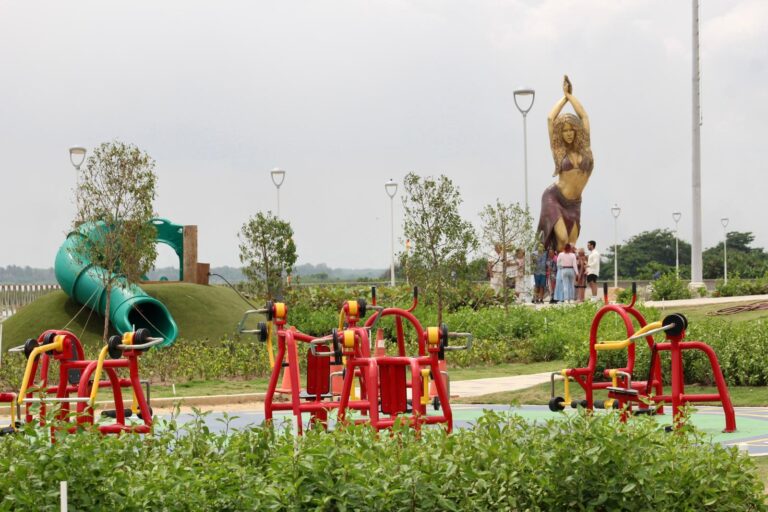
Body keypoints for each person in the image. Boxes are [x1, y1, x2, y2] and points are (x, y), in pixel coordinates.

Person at [537, 75, 594, 253]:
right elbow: (549, 119)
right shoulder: (559, 152)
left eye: (571, 130)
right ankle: (558, 279)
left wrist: (571, 96)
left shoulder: (586, 148)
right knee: (561, 239)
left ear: (576, 131)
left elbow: (584, 116)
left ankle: (564, 279)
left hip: (575, 202)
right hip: (555, 197)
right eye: (565, 131)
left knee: (571, 244)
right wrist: (564, 97)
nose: (569, 134)